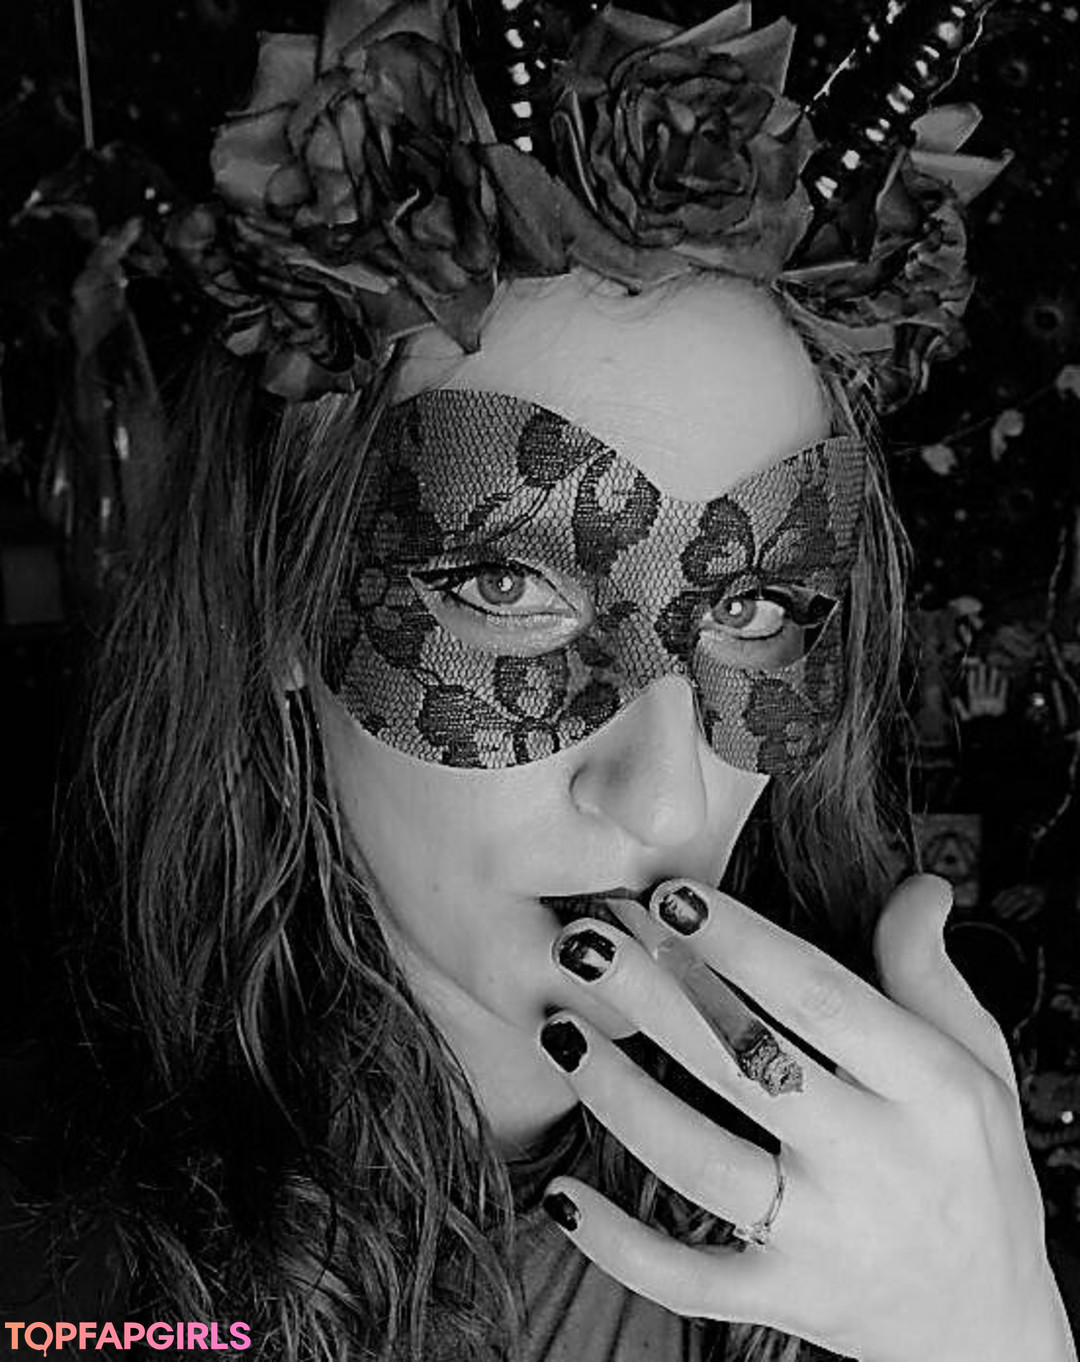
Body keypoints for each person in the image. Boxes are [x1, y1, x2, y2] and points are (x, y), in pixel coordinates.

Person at [20, 1, 1076, 1359]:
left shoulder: (901, 1246)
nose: (664, 800)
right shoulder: (70, 1278)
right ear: (283, 592)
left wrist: (997, 1328)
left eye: (750, 604)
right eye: (512, 588)